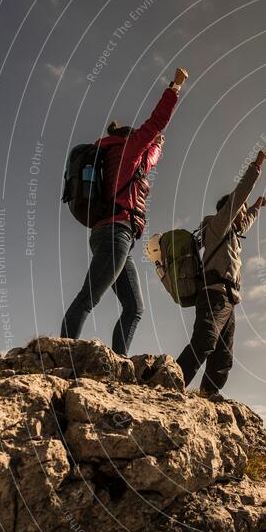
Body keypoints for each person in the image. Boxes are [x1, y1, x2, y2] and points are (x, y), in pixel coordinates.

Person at [60, 68, 189, 355]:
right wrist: (175, 88)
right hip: (114, 234)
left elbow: (149, 159)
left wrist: (158, 146)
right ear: (133, 139)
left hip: (117, 237)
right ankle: (62, 356)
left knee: (134, 307)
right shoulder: (128, 151)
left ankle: (118, 364)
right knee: (89, 297)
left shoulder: (117, 156)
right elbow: (156, 123)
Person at [177, 149, 266, 398]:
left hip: (229, 299)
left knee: (224, 353)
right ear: (229, 211)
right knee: (205, 341)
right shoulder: (218, 226)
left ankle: (208, 391)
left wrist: (257, 207)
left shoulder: (232, 234)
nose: (243, 214)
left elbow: (246, 219)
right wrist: (256, 166)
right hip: (214, 295)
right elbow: (240, 195)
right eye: (241, 210)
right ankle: (172, 381)